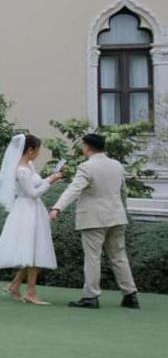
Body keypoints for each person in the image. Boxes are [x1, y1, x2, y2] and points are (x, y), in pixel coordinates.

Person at [50, 133, 140, 310]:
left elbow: (74, 189)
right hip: (117, 217)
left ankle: (91, 296)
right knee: (119, 256)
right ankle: (130, 295)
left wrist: (57, 207)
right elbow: (123, 191)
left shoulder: (86, 167)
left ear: (87, 147)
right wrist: (122, 210)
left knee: (93, 257)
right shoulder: (116, 165)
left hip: (94, 219)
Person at [0, 133, 64, 305]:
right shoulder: (21, 170)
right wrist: (50, 180)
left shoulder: (29, 165)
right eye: (37, 150)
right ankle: (31, 291)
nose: (38, 154)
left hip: (33, 209)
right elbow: (32, 193)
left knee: (31, 249)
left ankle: (15, 286)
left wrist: (51, 178)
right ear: (30, 150)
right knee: (32, 250)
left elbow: (36, 185)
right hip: (26, 210)